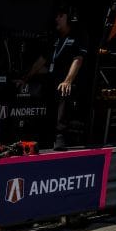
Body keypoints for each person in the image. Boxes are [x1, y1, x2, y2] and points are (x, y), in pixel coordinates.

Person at [38, 9, 88, 151]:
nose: (57, 19)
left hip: (69, 81)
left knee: (64, 89)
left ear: (70, 18)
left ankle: (60, 137)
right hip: (53, 78)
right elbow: (42, 60)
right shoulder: (55, 37)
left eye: (61, 16)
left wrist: (68, 81)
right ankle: (44, 136)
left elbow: (78, 59)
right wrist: (25, 78)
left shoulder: (79, 36)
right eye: (56, 15)